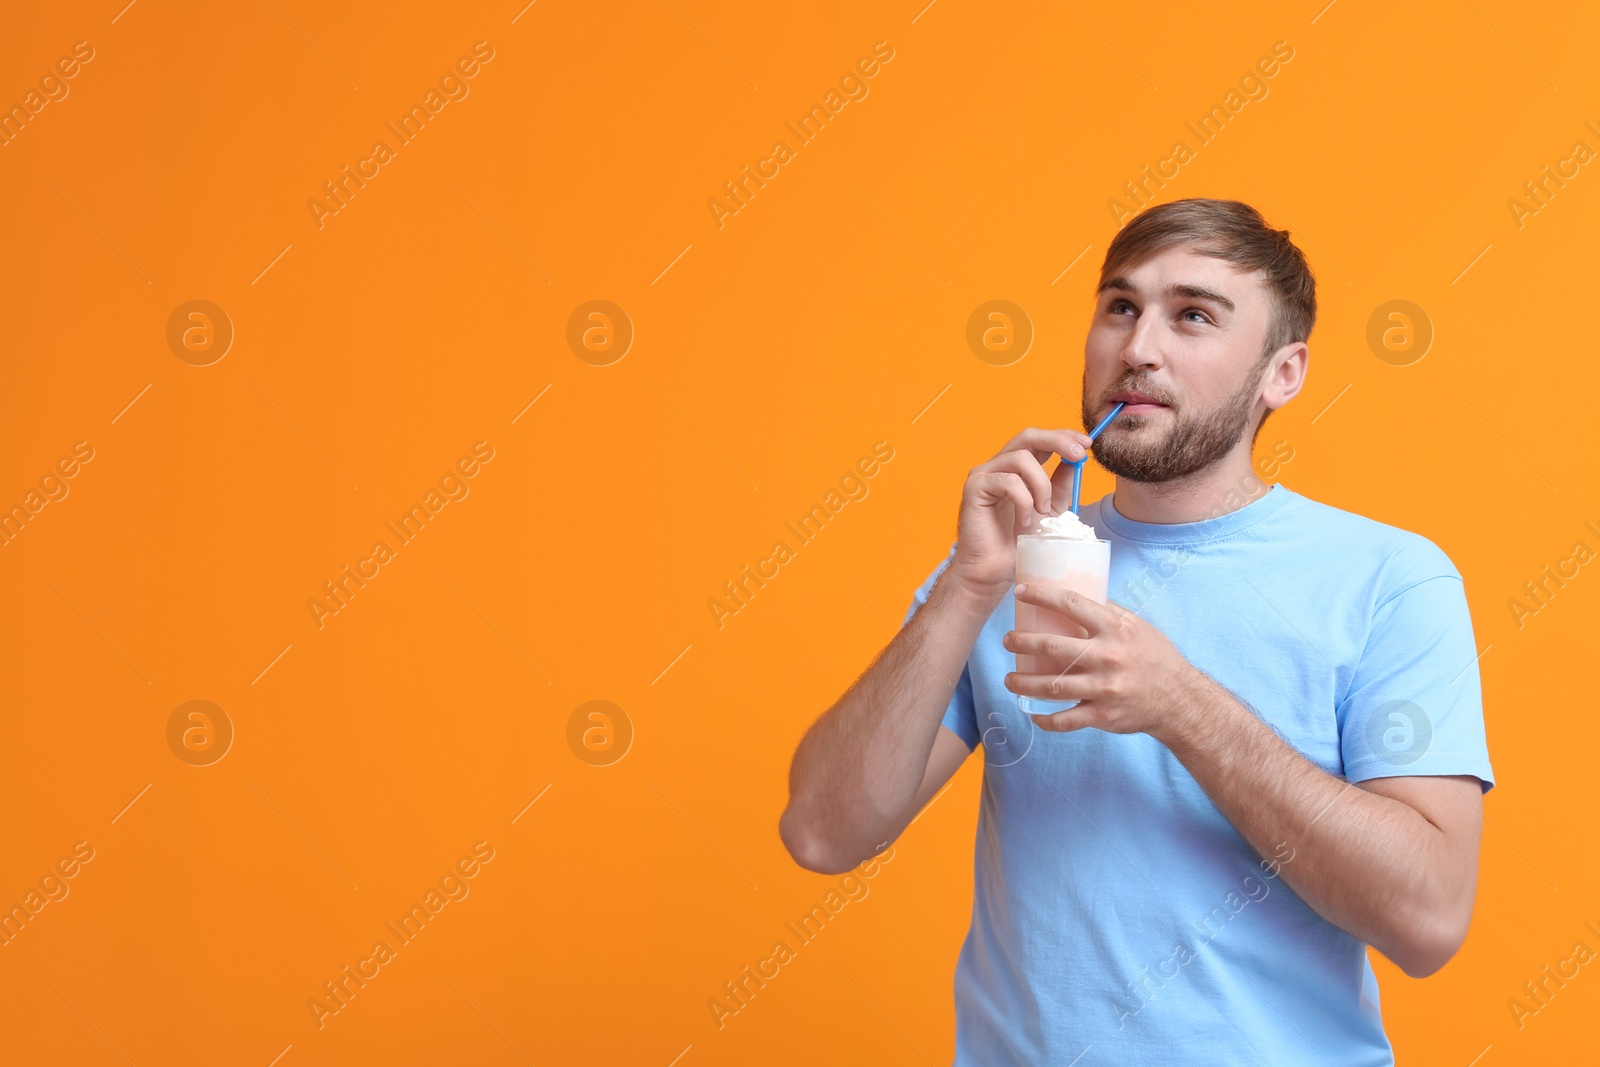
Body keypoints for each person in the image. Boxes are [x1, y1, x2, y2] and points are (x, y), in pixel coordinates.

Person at [777, 198, 1494, 1064]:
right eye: (1121, 306)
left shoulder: (1389, 579)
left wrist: (1180, 704)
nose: (1138, 347)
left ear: (1284, 374)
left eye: (1192, 315)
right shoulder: (1005, 564)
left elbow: (1428, 918)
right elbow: (821, 832)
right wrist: (966, 587)